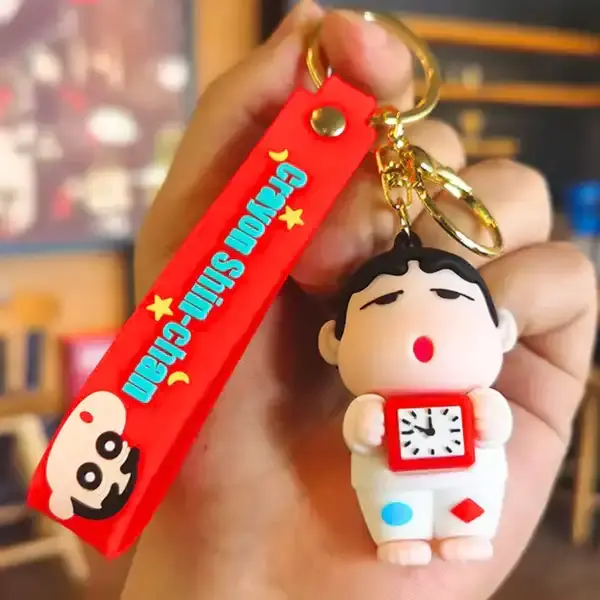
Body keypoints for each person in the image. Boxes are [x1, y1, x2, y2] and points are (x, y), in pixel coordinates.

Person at [90, 3, 597, 599]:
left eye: (447, 298)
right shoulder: (361, 404)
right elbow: (362, 434)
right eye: (384, 306)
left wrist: (490, 417)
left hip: (466, 479)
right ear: (333, 342)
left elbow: (492, 423)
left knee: (468, 501)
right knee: (396, 508)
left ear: (501, 331)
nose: (420, 334)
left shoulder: (484, 393)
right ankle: (403, 531)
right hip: (383, 487)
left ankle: (465, 528)